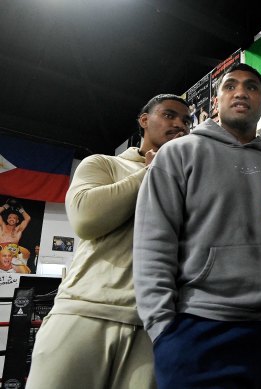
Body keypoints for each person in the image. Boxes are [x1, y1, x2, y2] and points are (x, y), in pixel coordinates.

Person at [133, 63, 261, 389]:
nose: (240, 92)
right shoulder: (178, 154)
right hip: (197, 331)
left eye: (251, 87)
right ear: (216, 102)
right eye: (230, 85)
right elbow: (152, 246)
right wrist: (163, 331)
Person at [26, 94, 191, 389]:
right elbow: (86, 219)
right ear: (144, 121)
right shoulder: (104, 164)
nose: (179, 124)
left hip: (152, 326)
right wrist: (151, 173)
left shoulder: (189, 186)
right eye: (169, 115)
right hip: (83, 312)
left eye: (186, 120)